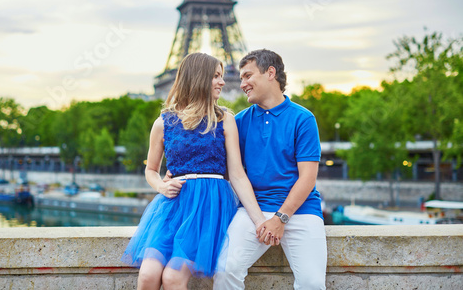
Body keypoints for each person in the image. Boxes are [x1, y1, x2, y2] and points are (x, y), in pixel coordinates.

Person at [121, 53, 267, 290]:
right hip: (172, 206)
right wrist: (161, 185)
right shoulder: (162, 123)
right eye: (216, 76)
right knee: (148, 275)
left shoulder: (224, 119)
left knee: (172, 278)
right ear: (198, 78)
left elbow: (238, 175)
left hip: (208, 206)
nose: (222, 81)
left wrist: (259, 219)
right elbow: (151, 170)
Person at [213, 49, 327, 289]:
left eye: (247, 76)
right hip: (254, 210)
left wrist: (280, 218)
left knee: (312, 283)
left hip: (300, 210)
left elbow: (307, 179)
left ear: (270, 73)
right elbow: (230, 171)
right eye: (241, 78)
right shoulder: (240, 122)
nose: (242, 84)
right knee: (225, 270)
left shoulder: (303, 119)